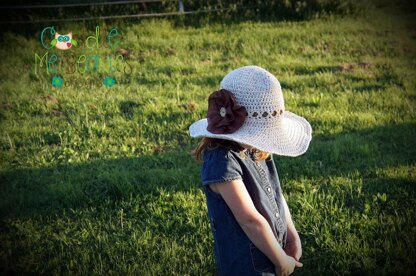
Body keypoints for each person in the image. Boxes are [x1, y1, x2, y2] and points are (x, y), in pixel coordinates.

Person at [189, 66, 312, 275]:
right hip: (247, 265)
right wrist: (281, 260)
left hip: (273, 249)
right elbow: (249, 220)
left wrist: (291, 234)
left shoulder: (256, 147)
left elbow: (277, 197)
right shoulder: (222, 159)